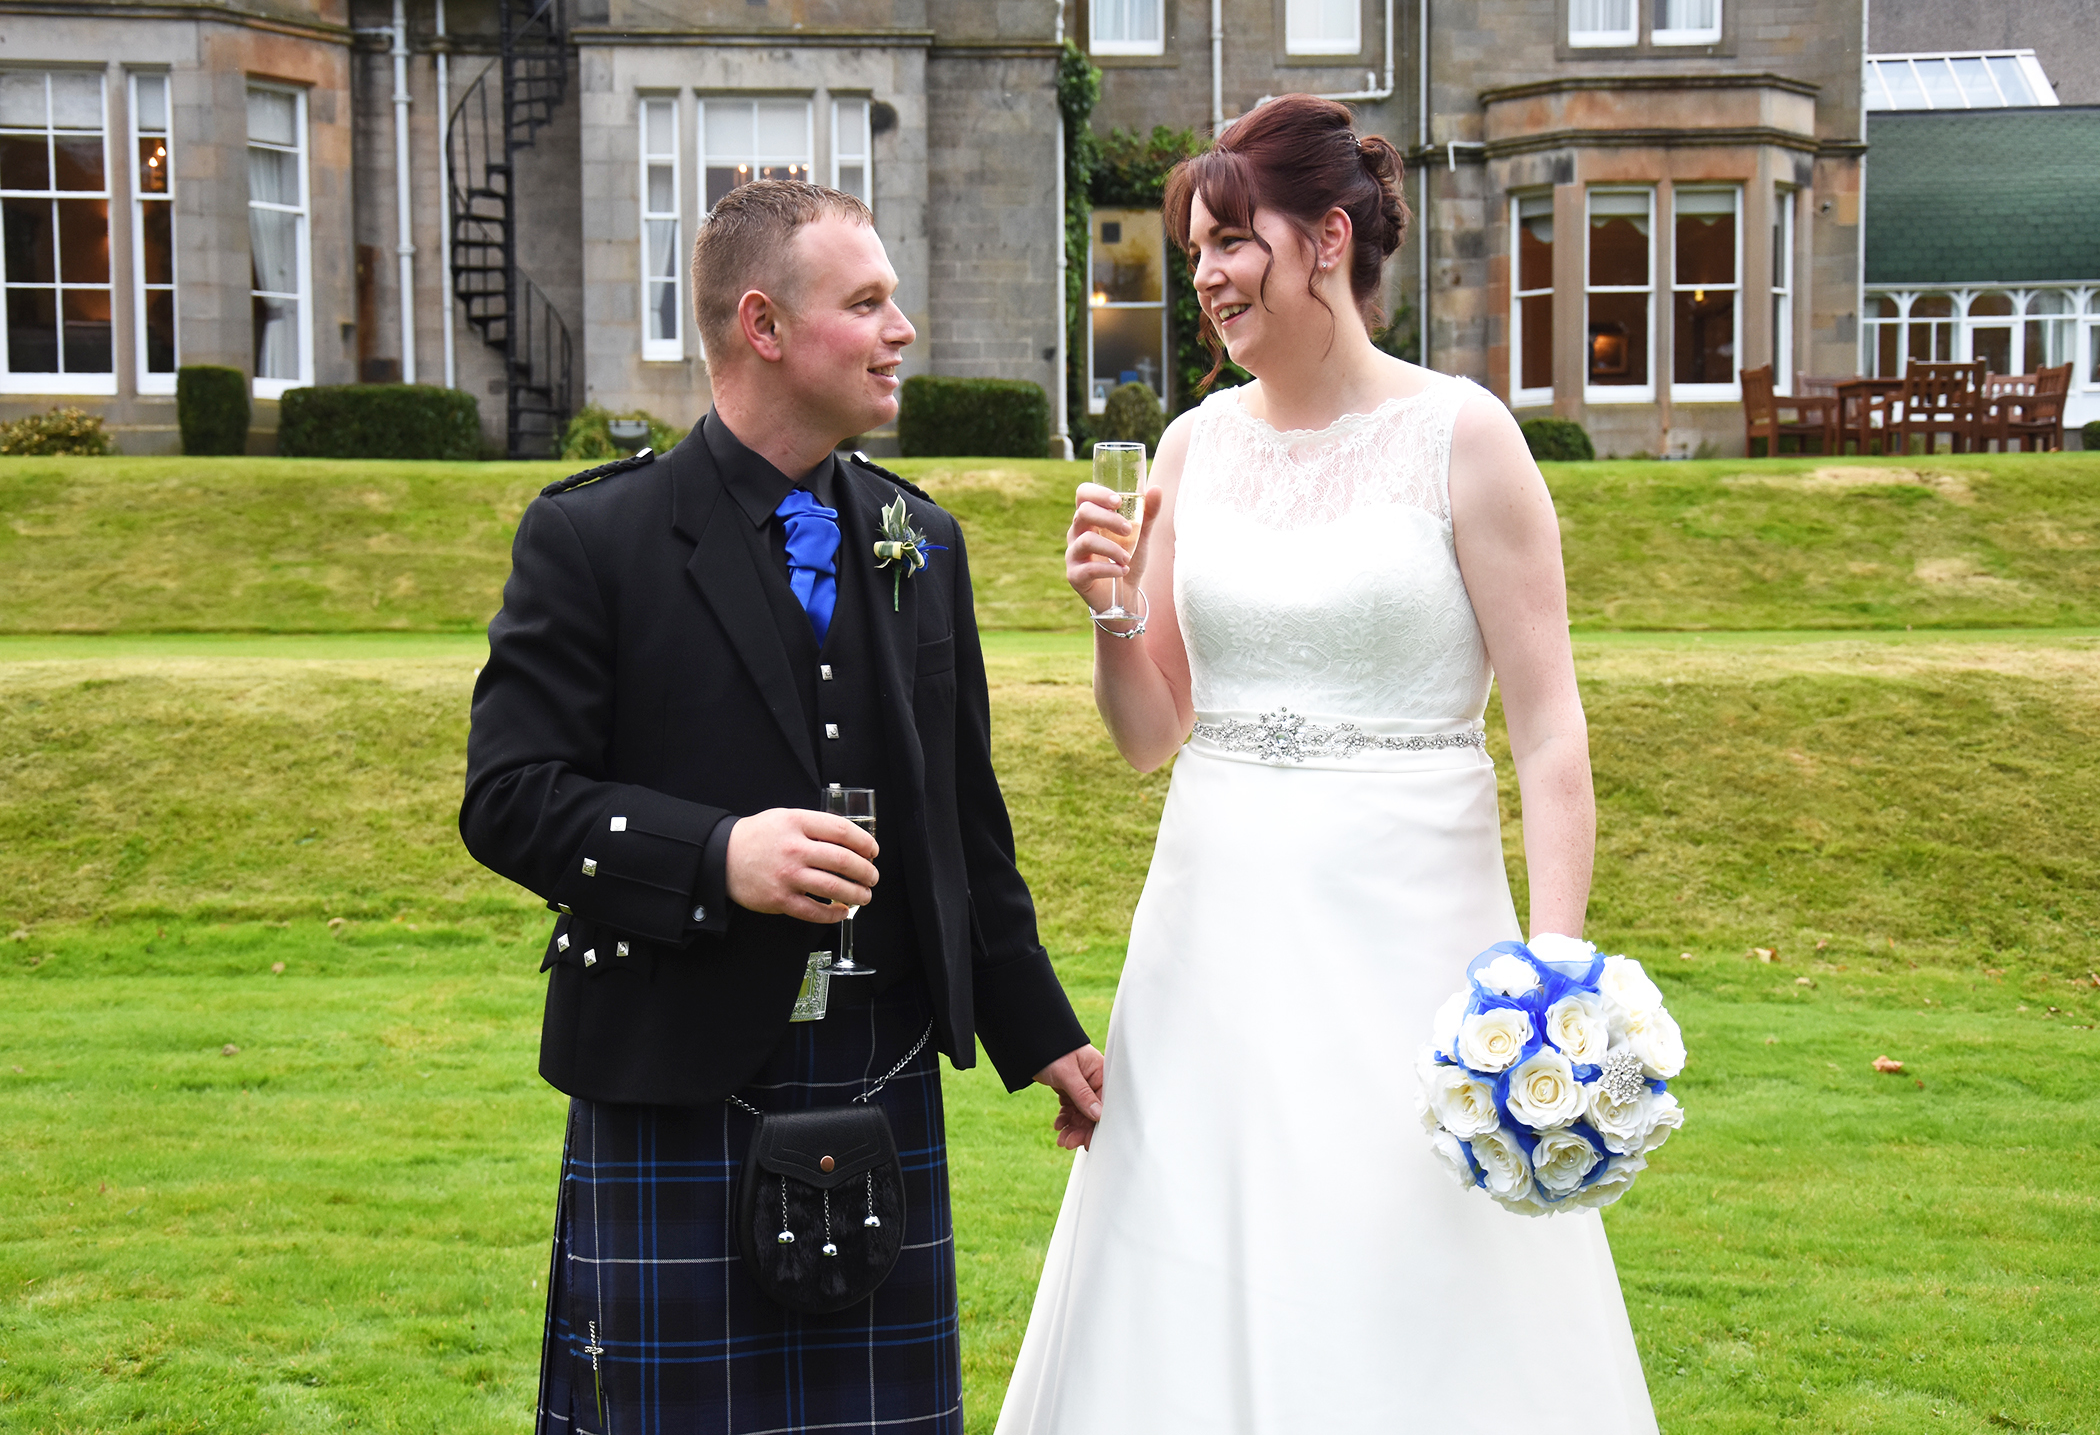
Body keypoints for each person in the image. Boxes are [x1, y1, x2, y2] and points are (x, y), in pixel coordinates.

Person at [995, 97, 1659, 1432]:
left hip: (1409, 929)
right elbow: (1149, 736)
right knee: (1194, 1247)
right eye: (1196, 253)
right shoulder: (1190, 449)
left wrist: (1551, 973)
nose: (1209, 278)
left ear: (1329, 239)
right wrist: (1111, 611)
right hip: (1212, 930)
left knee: (1402, 1256)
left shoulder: (1464, 439)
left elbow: (1550, 729)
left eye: (1233, 242)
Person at [460, 178, 1104, 1435]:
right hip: (677, 1079)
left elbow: (961, 819)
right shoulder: (598, 539)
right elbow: (509, 798)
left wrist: (1042, 1037)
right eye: (865, 303)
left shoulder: (923, 541)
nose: (901, 328)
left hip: (883, 1075)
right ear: (762, 325)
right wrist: (717, 855)